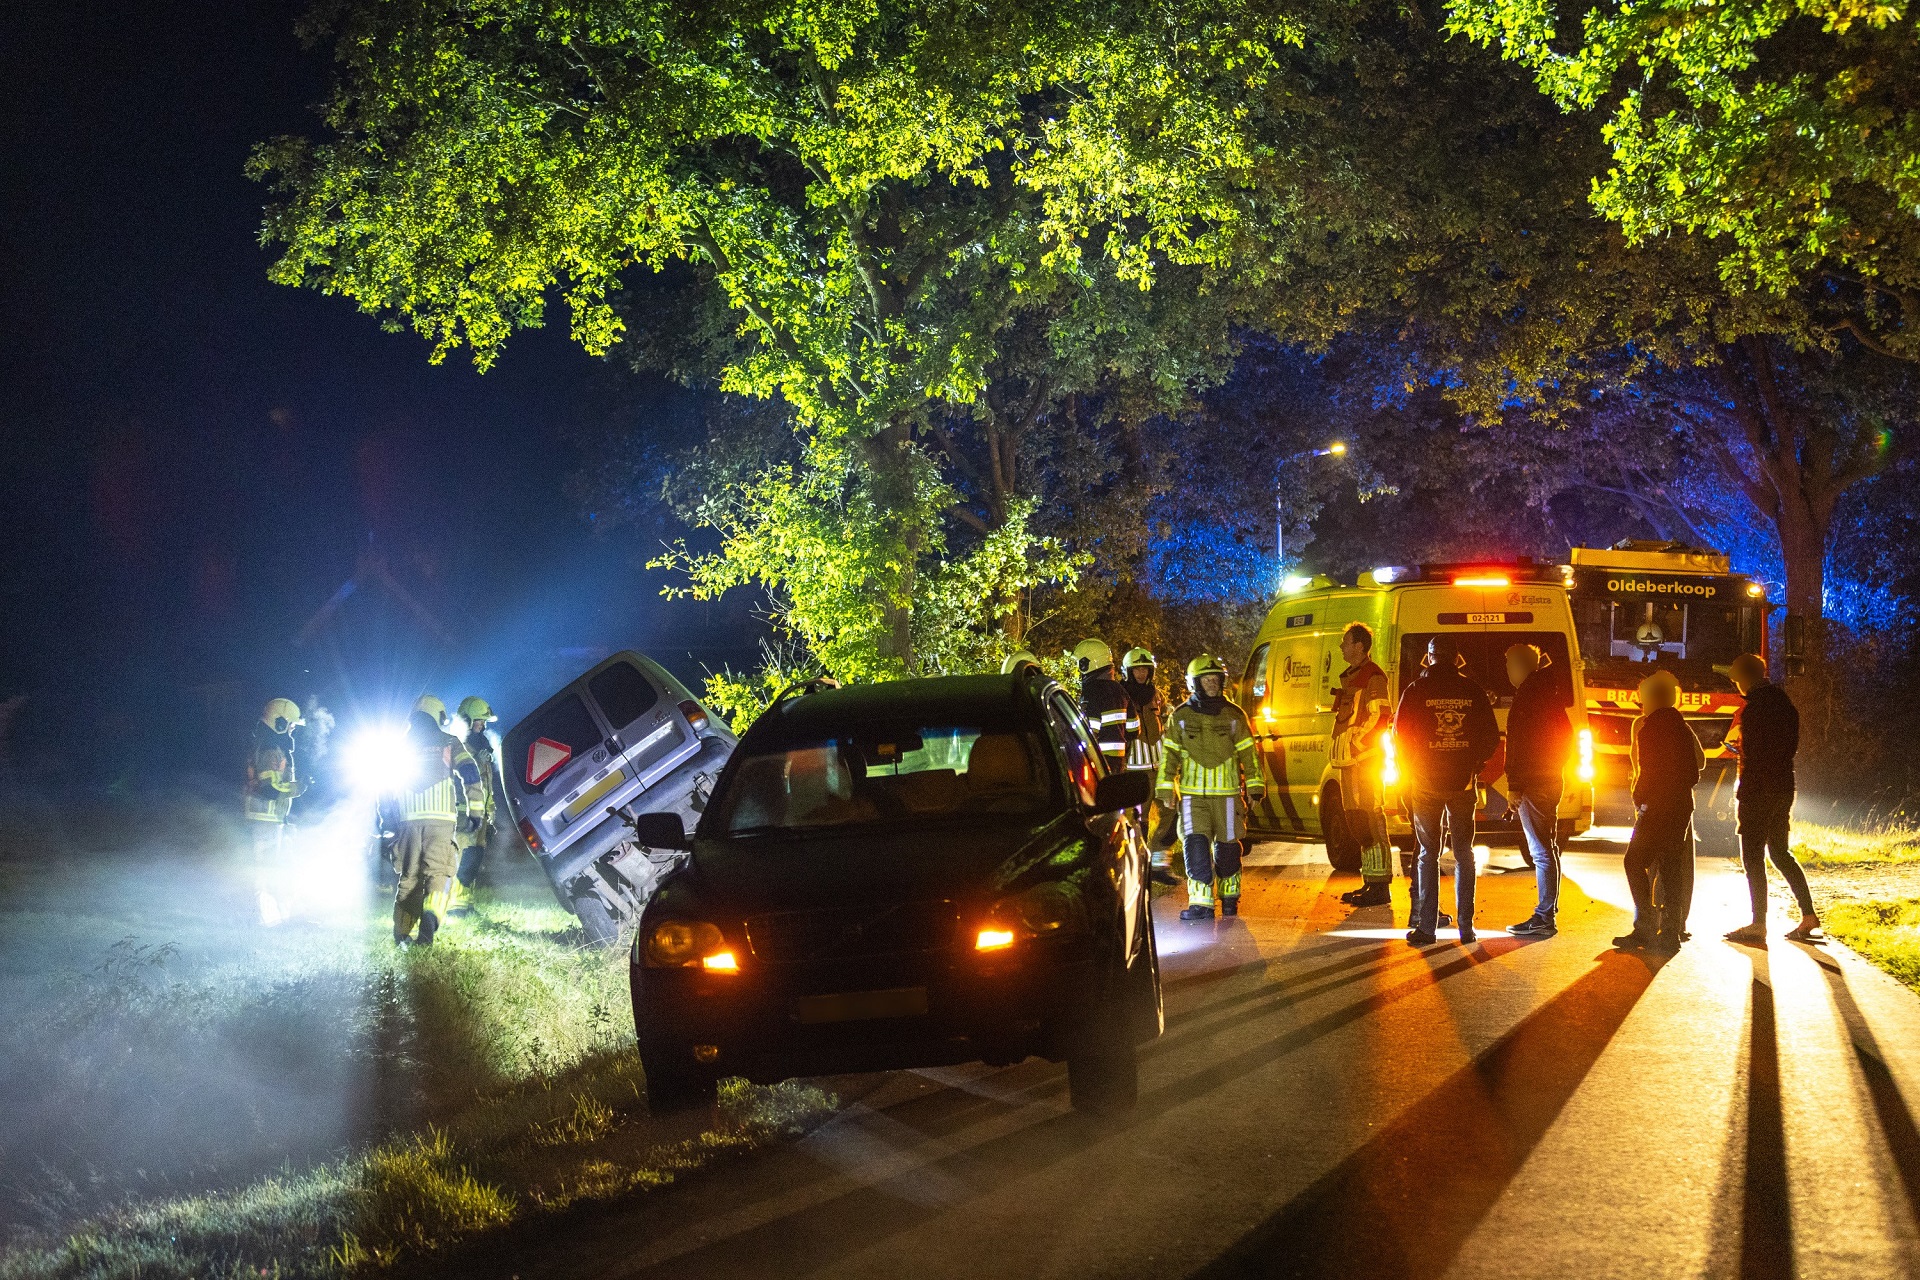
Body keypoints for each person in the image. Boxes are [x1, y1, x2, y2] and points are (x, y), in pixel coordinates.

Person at [1394, 636, 1499, 946]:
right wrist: (1473, 763)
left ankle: (1427, 928)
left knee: (1428, 853)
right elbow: (1491, 736)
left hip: (1424, 782)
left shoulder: (1415, 691)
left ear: (1429, 658)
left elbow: (1400, 737)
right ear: (1457, 659)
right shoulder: (1472, 690)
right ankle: (1467, 928)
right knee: (1464, 853)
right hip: (1463, 784)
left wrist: (1412, 767)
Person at [1157, 654, 1266, 921]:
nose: (1212, 684)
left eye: (1216, 679)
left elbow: (1248, 754)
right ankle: (1201, 905)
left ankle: (1229, 899)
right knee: (1195, 847)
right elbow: (1169, 755)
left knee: (1229, 850)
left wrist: (1255, 786)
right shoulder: (1180, 717)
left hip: (1228, 797)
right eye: (1207, 680)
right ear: (1195, 683)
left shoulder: (1234, 716)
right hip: (1193, 798)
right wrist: (1165, 788)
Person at [1724, 653, 1820, 943]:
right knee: (1779, 851)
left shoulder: (1753, 710)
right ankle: (1808, 915)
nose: (1736, 685)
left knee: (1752, 855)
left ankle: (1758, 924)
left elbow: (1754, 753)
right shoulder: (1784, 704)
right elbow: (1786, 747)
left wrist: (1740, 753)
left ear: (1744, 678)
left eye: (1737, 679)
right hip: (1783, 786)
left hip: (1757, 789)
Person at [1617, 672, 1703, 952]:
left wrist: (1641, 799)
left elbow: (1648, 771)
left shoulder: (1649, 727)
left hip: (1655, 807)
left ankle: (1645, 924)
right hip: (1680, 807)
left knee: (1634, 861)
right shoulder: (1681, 726)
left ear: (1653, 698)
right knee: (1670, 867)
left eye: (1643, 698)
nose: (1640, 703)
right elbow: (1694, 771)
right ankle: (1671, 932)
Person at [391, 694, 481, 947]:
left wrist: (387, 821)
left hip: (407, 821)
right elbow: (471, 775)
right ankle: (427, 931)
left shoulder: (400, 746)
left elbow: (385, 790)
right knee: (438, 875)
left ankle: (401, 937)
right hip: (440, 821)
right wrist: (475, 812)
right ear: (438, 716)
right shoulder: (449, 742)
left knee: (408, 878)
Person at [1502, 644, 1573, 937]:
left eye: (1509, 665)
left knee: (1540, 851)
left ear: (1520, 667)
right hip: (1551, 779)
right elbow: (1567, 738)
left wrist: (1516, 785)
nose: (1507, 671)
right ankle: (1547, 912)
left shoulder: (1527, 697)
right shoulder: (1549, 695)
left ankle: (1544, 917)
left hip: (1533, 783)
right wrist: (1552, 766)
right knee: (1548, 846)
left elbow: (1517, 746)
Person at [1331, 623, 1394, 908]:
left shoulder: (1373, 676)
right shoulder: (1353, 677)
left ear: (1359, 646)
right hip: (1350, 763)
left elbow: (1381, 717)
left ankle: (1380, 886)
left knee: (1371, 818)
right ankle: (1370, 880)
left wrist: (1357, 746)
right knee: (1357, 820)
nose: (1342, 647)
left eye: (1346, 643)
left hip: (1365, 762)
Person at [244, 697, 308, 926]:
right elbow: (270, 789)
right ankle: (264, 921)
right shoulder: (271, 750)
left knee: (273, 869)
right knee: (264, 872)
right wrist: (299, 787)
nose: (292, 730)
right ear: (279, 723)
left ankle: (276, 917)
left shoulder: (268, 745)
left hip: (270, 819)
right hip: (265, 818)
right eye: (290, 725)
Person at [1120, 647, 1181, 880]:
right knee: (1138, 822)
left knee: (1173, 813)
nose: (1142, 673)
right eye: (1137, 669)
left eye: (1145, 669)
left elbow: (1166, 723)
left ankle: (1158, 864)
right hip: (1135, 769)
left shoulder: (1157, 694)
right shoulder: (1122, 695)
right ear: (1129, 671)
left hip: (1160, 766)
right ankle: (1139, 869)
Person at [449, 695, 500, 916]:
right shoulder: (459, 746)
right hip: (465, 814)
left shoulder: (482, 748)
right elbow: (463, 782)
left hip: (481, 816)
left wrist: (490, 814)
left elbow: (487, 785)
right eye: (480, 720)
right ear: (468, 720)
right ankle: (455, 909)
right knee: (464, 861)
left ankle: (466, 905)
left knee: (474, 860)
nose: (484, 725)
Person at [1070, 638, 1131, 770]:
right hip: (1119, 762)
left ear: (1085, 664)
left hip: (1099, 761)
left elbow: (1090, 731)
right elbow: (1134, 729)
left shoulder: (1091, 691)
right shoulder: (1121, 690)